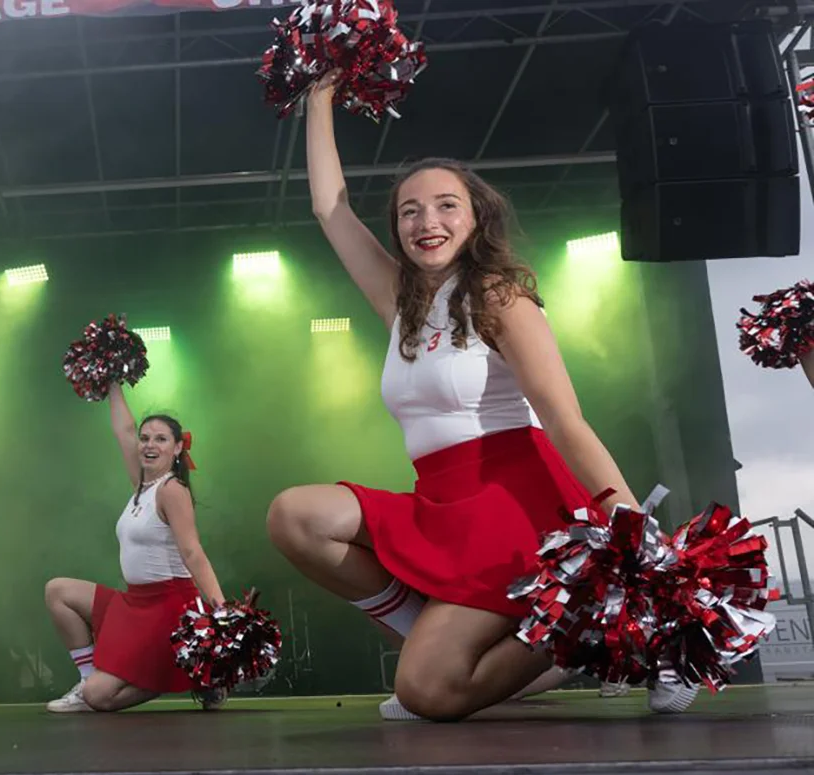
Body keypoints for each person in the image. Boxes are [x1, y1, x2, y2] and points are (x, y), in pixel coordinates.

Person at [265, 74, 697, 722]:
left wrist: (632, 540)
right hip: (442, 504)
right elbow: (331, 209)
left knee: (427, 694)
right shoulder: (401, 303)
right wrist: (320, 95)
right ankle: (473, 641)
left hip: (514, 504)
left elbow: (564, 419)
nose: (425, 221)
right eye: (409, 210)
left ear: (475, 219)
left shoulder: (500, 297)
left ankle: (587, 619)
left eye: (445, 206)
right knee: (293, 516)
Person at [43, 382, 227, 713]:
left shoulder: (172, 490)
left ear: (177, 449)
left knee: (101, 699)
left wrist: (222, 612)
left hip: (169, 607)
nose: (148, 444)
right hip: (136, 602)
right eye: (145, 438)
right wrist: (113, 381)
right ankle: (86, 680)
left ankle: (179, 675)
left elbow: (193, 553)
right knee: (57, 591)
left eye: (160, 439)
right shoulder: (141, 486)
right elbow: (123, 431)